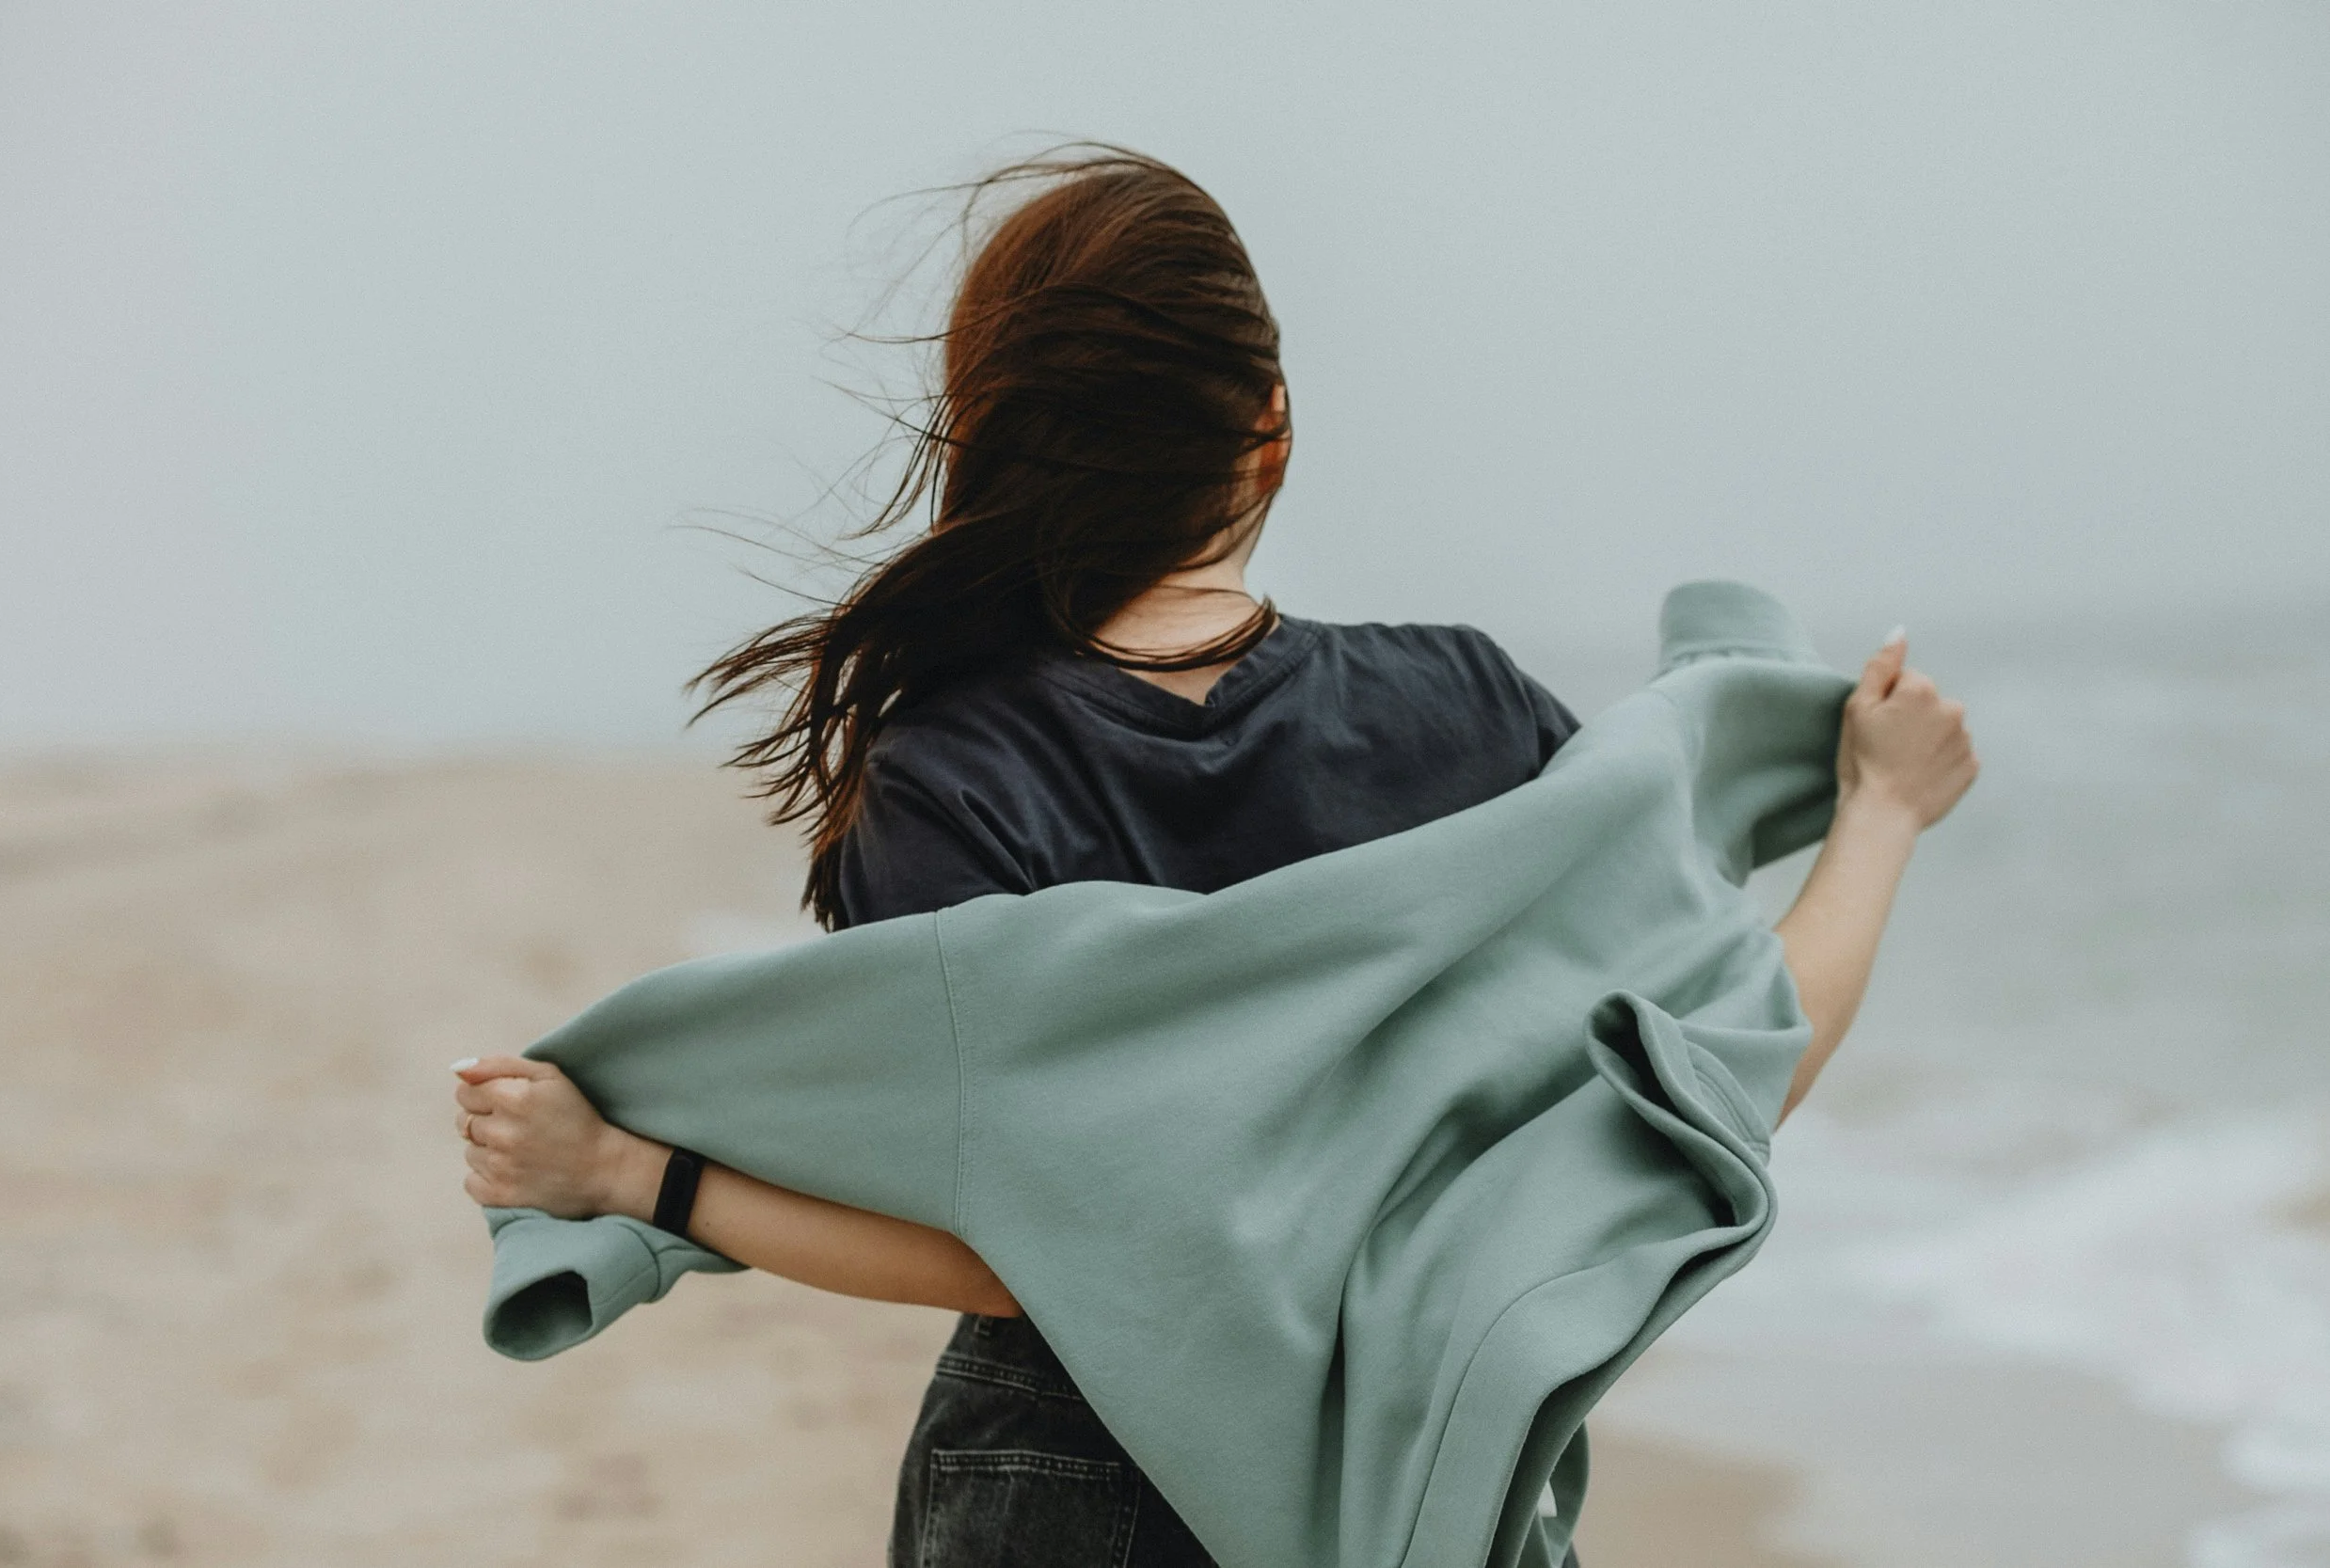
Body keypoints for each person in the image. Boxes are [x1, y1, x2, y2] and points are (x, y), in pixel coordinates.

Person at [450, 146, 1977, 1566]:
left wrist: (637, 1171)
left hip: (1063, 1476)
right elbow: (1724, 1070)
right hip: (1421, 1462)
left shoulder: (954, 771)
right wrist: (1881, 813)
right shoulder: (1468, 708)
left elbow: (1000, 1262)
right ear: (1271, 423)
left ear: (996, 445)